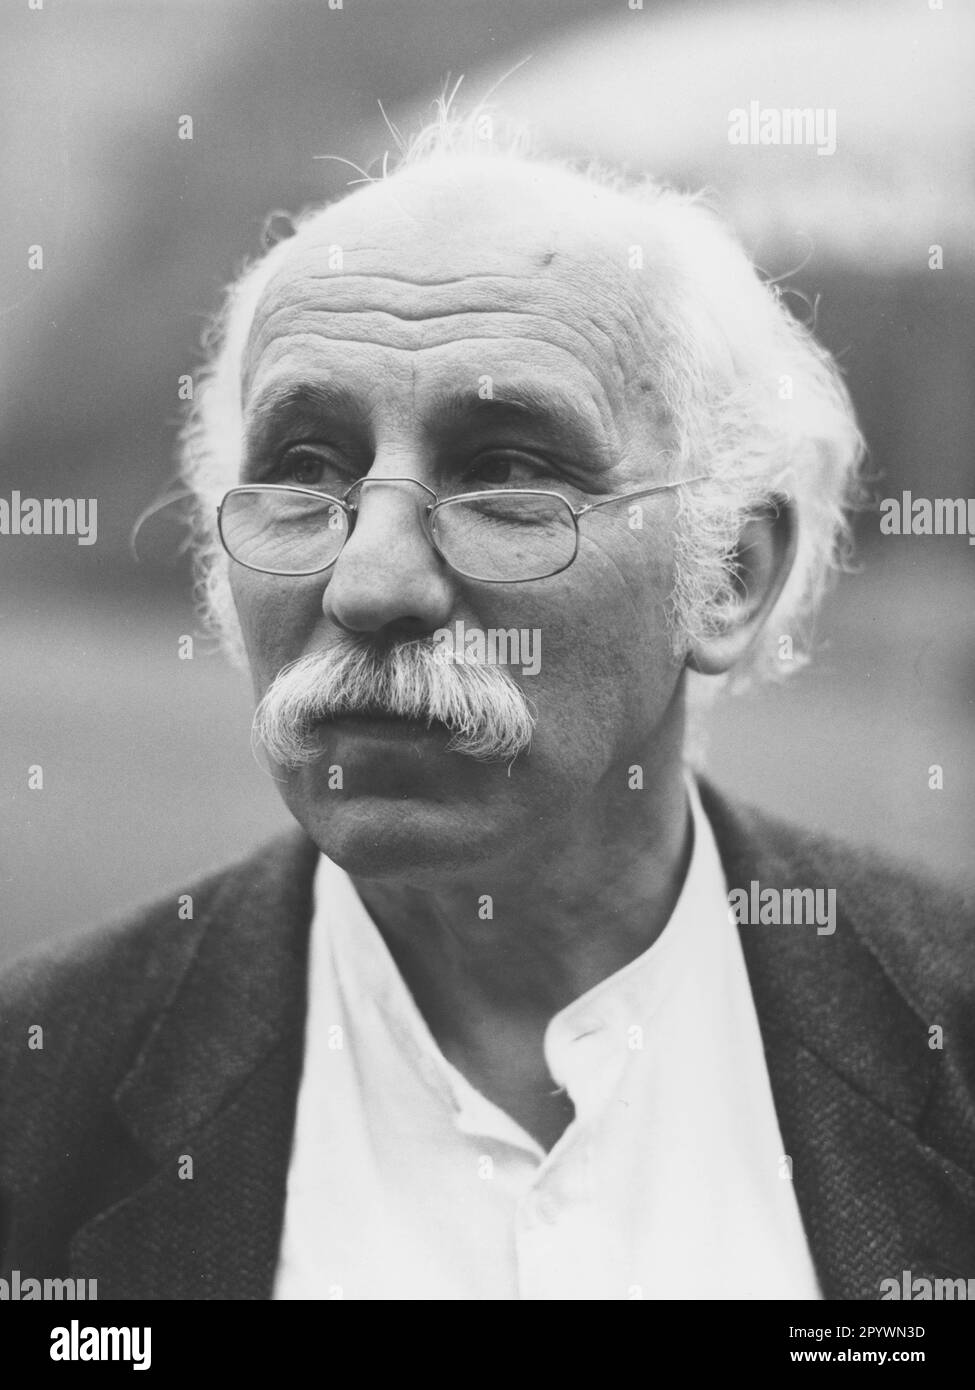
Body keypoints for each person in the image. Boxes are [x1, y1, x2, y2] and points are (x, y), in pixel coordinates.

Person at [2, 109, 973, 1302]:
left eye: (507, 471)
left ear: (729, 573)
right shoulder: (34, 1095)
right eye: (304, 470)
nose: (370, 583)